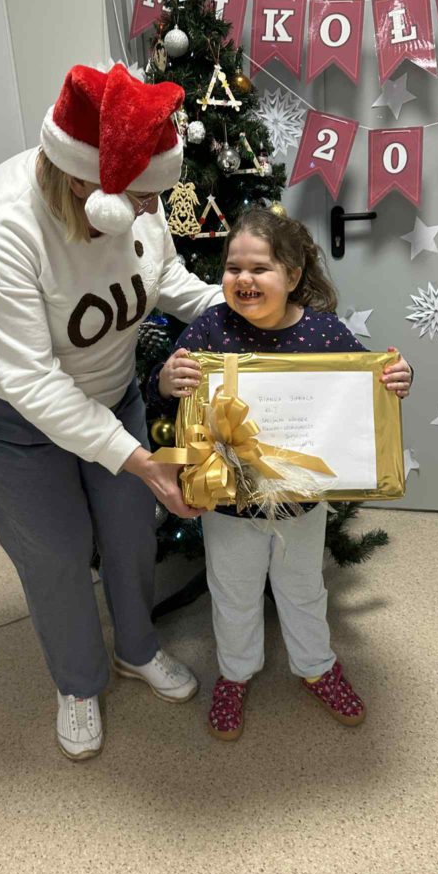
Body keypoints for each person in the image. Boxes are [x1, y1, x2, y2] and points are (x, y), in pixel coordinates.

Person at [0, 63, 224, 761]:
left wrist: (249, 309)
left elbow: (167, 278)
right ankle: (77, 681)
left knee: (129, 530)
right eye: (145, 198)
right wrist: (140, 460)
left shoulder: (140, 208)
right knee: (57, 551)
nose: (154, 211)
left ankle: (137, 649)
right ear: (87, 186)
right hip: (6, 408)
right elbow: (34, 384)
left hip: (109, 390)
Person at [150, 207, 413, 741]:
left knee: (303, 589)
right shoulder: (210, 327)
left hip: (300, 500)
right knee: (233, 593)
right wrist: (164, 379)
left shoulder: (322, 330)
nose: (243, 279)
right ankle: (234, 674)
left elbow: (364, 386)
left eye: (259, 268)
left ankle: (317, 666)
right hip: (226, 501)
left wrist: (396, 377)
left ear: (292, 276)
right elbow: (168, 390)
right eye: (233, 268)